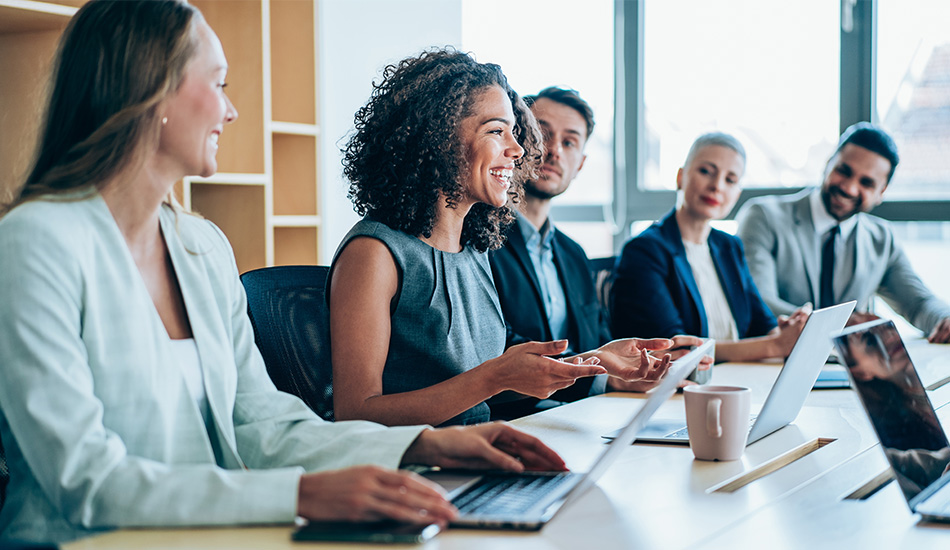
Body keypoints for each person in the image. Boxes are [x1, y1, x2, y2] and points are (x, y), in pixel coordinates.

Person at [0, 2, 566, 543]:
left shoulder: (200, 246)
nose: (231, 110)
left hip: (208, 534)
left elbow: (261, 423)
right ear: (151, 92)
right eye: (217, 84)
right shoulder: (37, 243)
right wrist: (300, 495)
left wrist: (427, 447)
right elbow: (83, 478)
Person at [328, 51, 676, 429]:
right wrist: (494, 377)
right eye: (497, 131)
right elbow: (356, 414)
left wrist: (595, 360)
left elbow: (494, 385)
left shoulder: (474, 250)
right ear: (439, 136)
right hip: (418, 472)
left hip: (480, 450)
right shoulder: (374, 253)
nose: (519, 149)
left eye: (514, 131)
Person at [488, 87, 706, 419]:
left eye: (569, 142)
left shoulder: (573, 254)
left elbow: (599, 342)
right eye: (542, 134)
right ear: (518, 142)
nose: (554, 151)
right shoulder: (481, 239)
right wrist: (602, 377)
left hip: (582, 413)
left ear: (580, 164)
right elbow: (494, 344)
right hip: (515, 418)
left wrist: (637, 366)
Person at [736, 122, 950, 343]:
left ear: (881, 192)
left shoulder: (881, 239)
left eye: (866, 183)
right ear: (828, 164)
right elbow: (759, 302)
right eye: (843, 171)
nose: (849, 188)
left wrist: (945, 319)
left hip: (849, 371)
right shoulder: (763, 216)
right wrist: (838, 324)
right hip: (770, 365)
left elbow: (918, 304)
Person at [611, 133, 810, 362]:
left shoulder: (729, 246)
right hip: (679, 387)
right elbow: (677, 349)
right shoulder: (644, 250)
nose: (717, 186)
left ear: (737, 193)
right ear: (680, 177)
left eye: (730, 180)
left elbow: (762, 323)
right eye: (706, 171)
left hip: (738, 378)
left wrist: (788, 333)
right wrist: (775, 346)